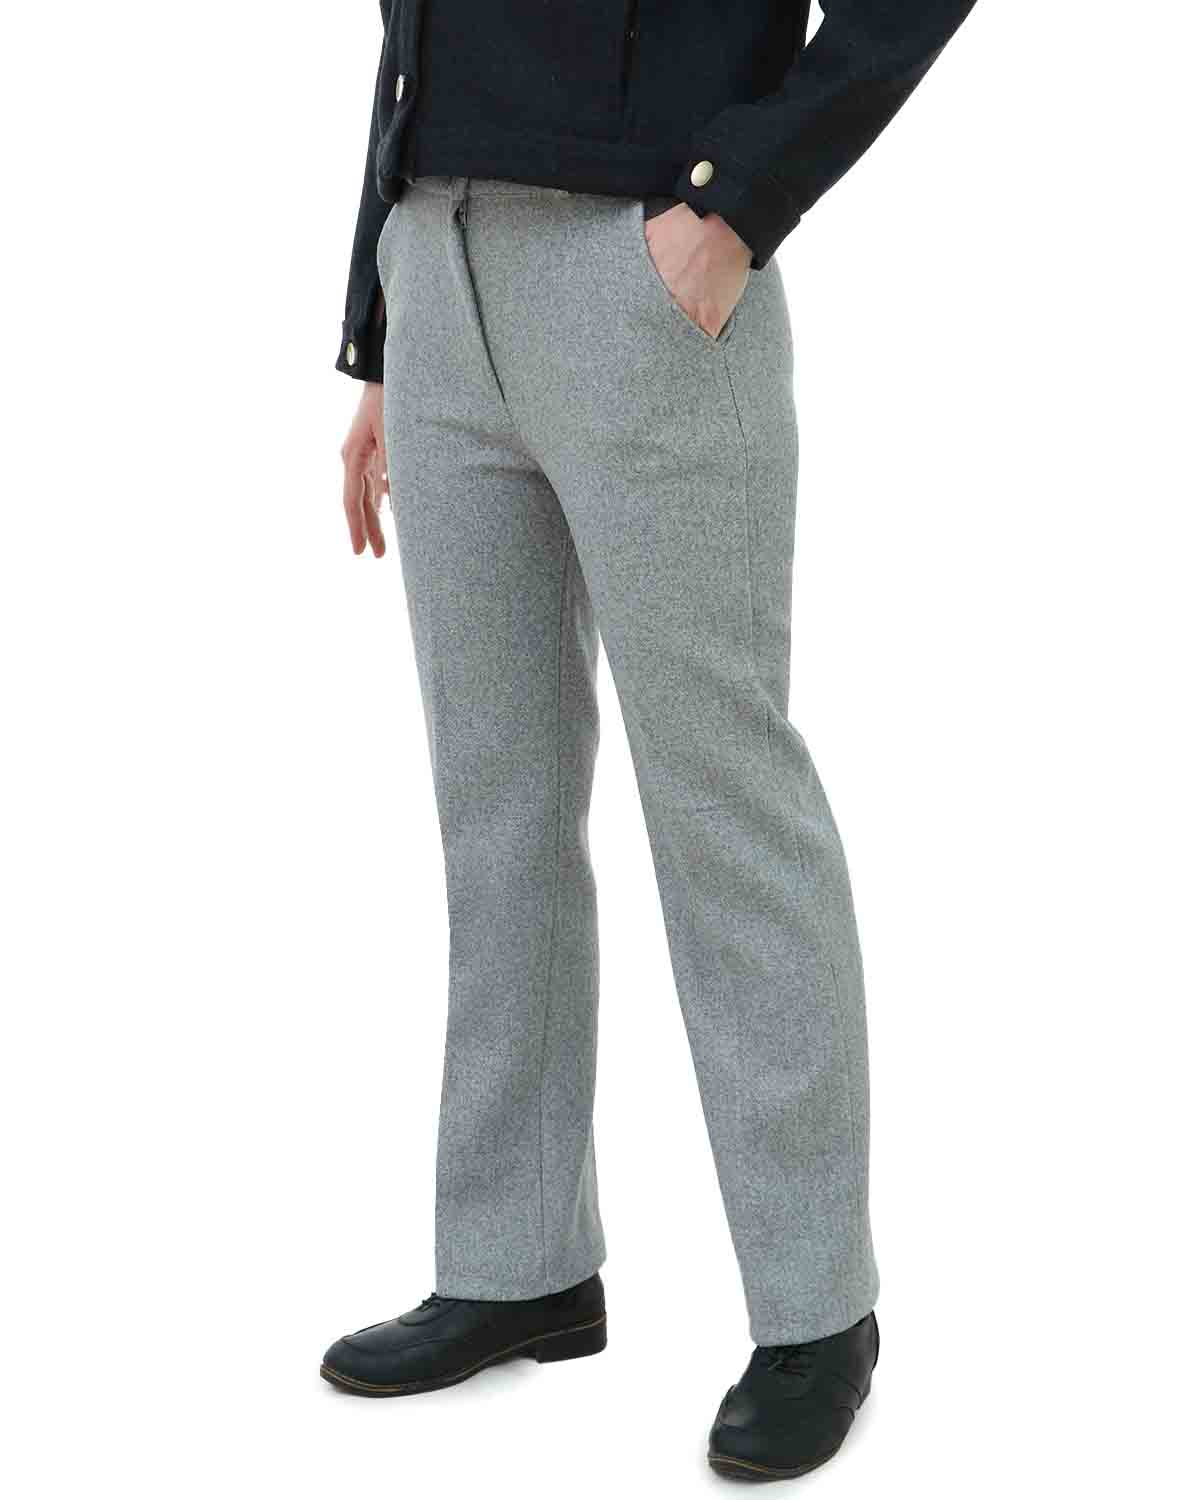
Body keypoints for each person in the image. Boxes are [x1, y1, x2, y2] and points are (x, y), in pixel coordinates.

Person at [322, 0, 976, 1481]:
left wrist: (738, 208)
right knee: (495, 807)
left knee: (723, 802)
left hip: (640, 267)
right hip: (440, 260)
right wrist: (382, 330)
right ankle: (517, 1262)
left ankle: (818, 1309)